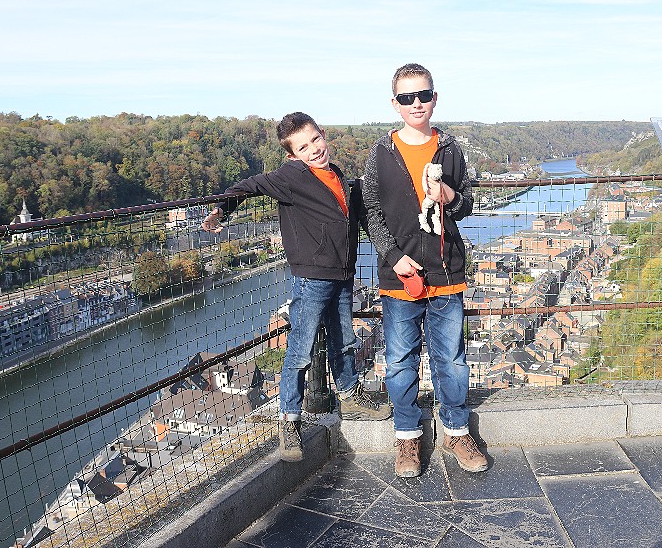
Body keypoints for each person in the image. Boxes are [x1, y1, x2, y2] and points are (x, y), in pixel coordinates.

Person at [203, 111, 391, 462]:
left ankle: (350, 397)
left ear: (323, 134)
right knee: (301, 349)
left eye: (315, 139)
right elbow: (250, 185)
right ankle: (289, 420)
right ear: (292, 155)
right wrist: (222, 211)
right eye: (303, 147)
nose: (314, 149)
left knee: (344, 340)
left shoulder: (337, 175)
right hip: (313, 276)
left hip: (342, 273)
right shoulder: (291, 177)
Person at [363, 63, 488, 477]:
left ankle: (456, 430)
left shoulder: (451, 149)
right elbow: (372, 212)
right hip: (401, 275)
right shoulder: (381, 153)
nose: (416, 104)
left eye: (423, 95)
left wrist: (450, 195)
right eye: (406, 97)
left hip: (446, 269)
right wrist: (393, 255)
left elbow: (466, 206)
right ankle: (407, 438)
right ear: (395, 104)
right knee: (400, 360)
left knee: (451, 359)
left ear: (435, 98)